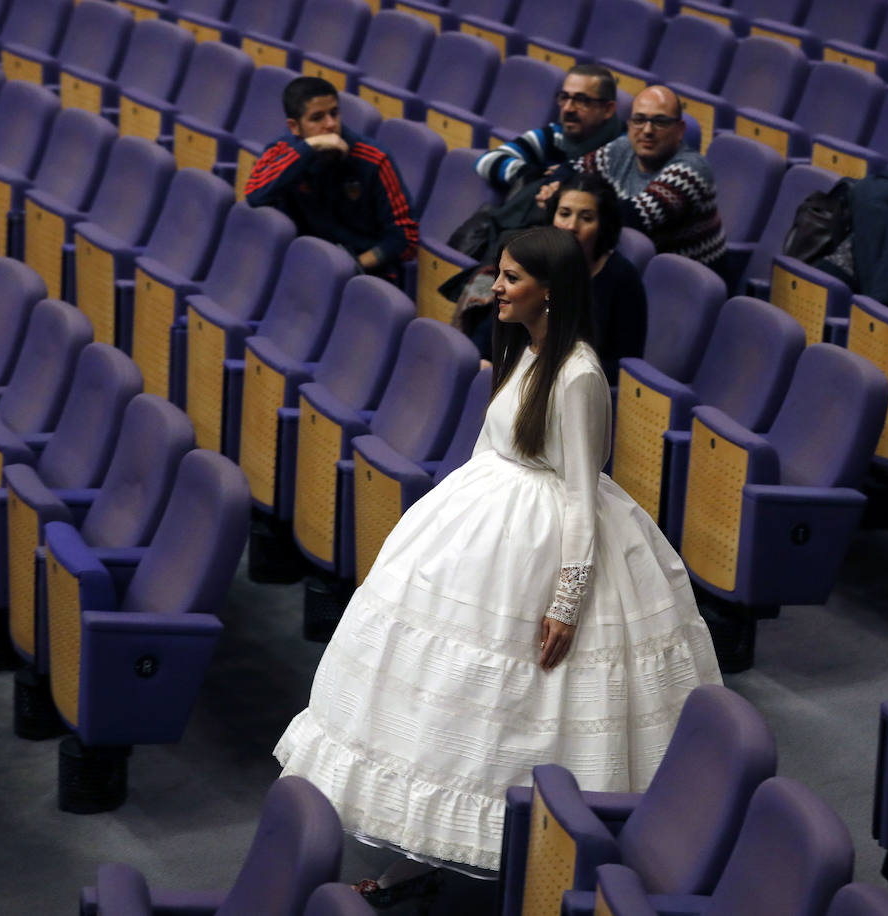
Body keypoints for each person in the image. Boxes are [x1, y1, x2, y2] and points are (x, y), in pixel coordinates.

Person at [275, 226, 721, 894]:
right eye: (501, 274)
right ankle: (426, 856)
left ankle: (561, 860)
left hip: (548, 545)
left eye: (513, 278)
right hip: (485, 526)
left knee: (537, 707)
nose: (498, 288)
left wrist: (567, 603)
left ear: (552, 291)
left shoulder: (578, 376)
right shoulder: (521, 348)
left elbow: (579, 497)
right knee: (450, 701)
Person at [467, 173, 647, 383]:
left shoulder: (623, 278)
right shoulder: (535, 259)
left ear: (603, 226)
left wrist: (551, 373)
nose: (571, 226)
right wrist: (484, 358)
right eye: (564, 214)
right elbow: (493, 326)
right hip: (519, 373)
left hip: (575, 385)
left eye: (586, 218)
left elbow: (622, 366)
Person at [245, 76, 418, 284]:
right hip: (304, 268)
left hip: (363, 276)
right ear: (294, 127)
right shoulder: (283, 151)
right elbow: (255, 195)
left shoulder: (375, 159)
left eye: (334, 113)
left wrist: (352, 266)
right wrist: (310, 147)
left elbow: (404, 237)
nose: (330, 124)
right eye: (317, 118)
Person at [571, 84, 726, 271]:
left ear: (680, 130)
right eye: (639, 119)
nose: (647, 130)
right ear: (629, 125)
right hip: (639, 269)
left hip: (682, 284)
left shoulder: (692, 170)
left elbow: (635, 216)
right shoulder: (622, 148)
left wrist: (573, 202)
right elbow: (567, 173)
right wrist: (556, 190)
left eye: (659, 121)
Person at [474, 64, 623, 196]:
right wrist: (535, 175)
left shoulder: (626, 150)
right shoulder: (553, 136)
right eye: (564, 97)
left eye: (581, 100)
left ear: (608, 109)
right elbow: (487, 161)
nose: (568, 108)